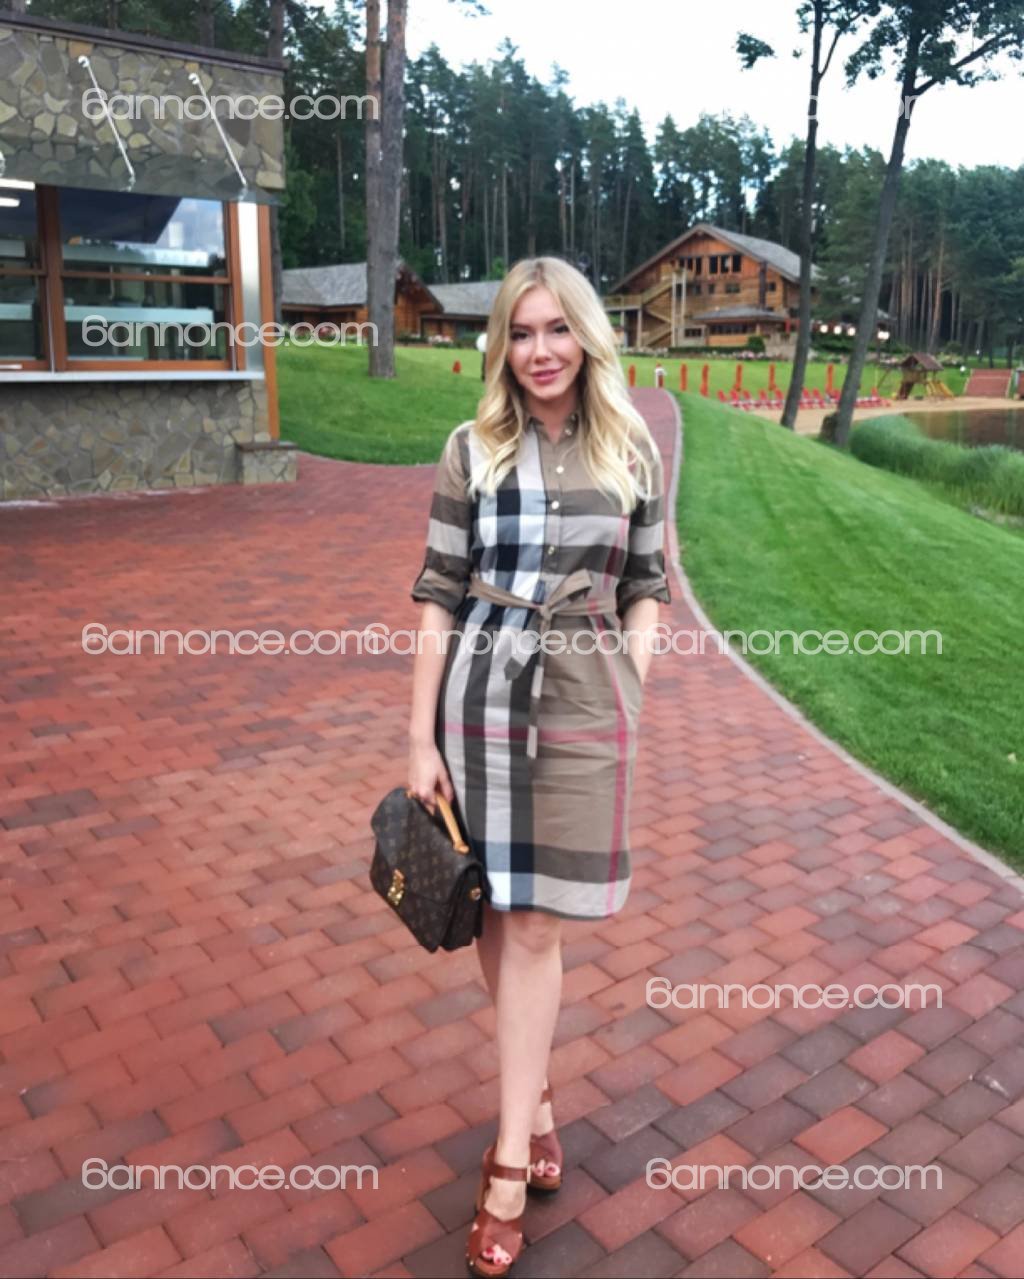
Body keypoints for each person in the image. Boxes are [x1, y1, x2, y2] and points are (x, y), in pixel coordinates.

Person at [407, 255, 671, 1277]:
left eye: (557, 329)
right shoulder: (470, 448)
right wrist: (417, 736)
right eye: (520, 333)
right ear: (500, 346)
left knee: (537, 922)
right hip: (479, 699)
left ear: (587, 337)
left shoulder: (631, 446)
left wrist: (629, 683)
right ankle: (526, 1131)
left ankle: (514, 1145)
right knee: (495, 911)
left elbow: (646, 582)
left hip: (584, 704)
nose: (540, 350)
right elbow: (438, 591)